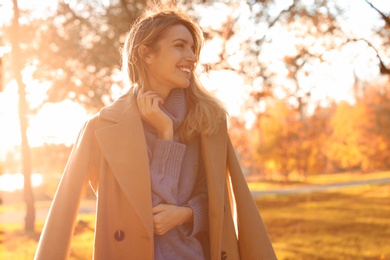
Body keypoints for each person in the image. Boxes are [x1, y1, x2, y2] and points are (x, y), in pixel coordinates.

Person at [34, 6, 276, 260]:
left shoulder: (208, 123)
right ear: (146, 54)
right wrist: (165, 133)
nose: (192, 57)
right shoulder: (102, 128)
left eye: (193, 49)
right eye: (180, 46)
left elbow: (219, 202)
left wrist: (187, 213)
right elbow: (138, 213)